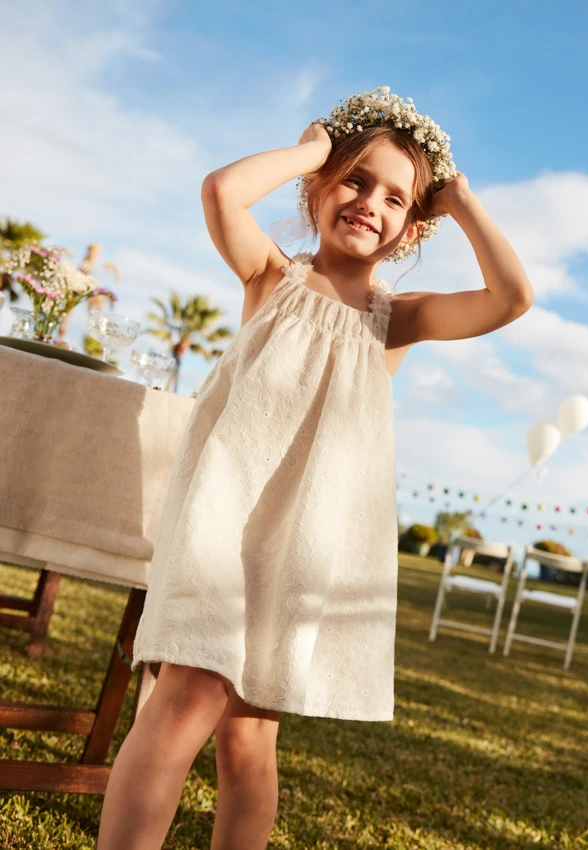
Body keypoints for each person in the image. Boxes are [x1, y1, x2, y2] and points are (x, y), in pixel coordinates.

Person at [97, 87, 533, 850]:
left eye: (396, 198)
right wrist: (311, 147)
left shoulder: (398, 321)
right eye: (355, 180)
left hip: (300, 544)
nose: (369, 203)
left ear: (410, 227)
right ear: (320, 188)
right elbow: (222, 190)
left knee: (249, 738)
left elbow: (512, 297)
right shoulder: (271, 277)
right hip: (218, 525)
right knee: (184, 699)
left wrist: (459, 200)